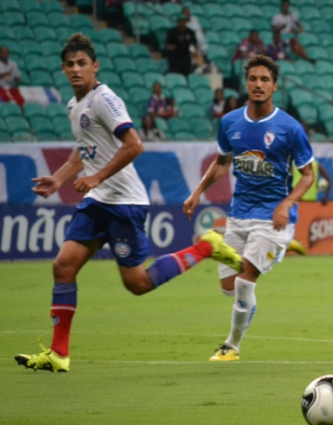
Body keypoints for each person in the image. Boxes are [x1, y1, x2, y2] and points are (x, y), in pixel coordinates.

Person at [14, 33, 242, 373]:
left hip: (124, 202)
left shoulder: (104, 99)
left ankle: (205, 248)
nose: (76, 70)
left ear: (95, 66)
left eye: (82, 64)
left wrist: (97, 177)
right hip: (97, 201)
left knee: (137, 284)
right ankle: (59, 353)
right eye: (70, 65)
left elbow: (135, 145)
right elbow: (84, 151)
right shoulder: (74, 106)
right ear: (63, 69)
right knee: (63, 266)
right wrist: (59, 179)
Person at [182, 55, 315, 362]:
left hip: (273, 219)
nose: (258, 84)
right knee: (228, 287)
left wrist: (287, 204)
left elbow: (308, 175)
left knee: (244, 281)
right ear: (246, 83)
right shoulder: (230, 123)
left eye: (264, 80)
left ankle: (231, 346)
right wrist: (198, 191)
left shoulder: (289, 128)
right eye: (253, 79)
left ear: (275, 86)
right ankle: (280, 249)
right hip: (239, 215)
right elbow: (221, 163)